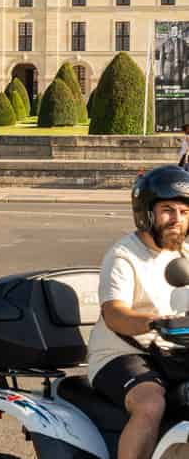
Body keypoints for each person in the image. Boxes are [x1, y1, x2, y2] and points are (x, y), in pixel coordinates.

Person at [88, 165, 189, 459]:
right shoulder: (124, 255)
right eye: (167, 210)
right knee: (150, 405)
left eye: (184, 212)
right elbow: (114, 313)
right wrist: (155, 323)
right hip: (122, 354)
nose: (177, 219)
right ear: (147, 213)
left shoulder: (184, 253)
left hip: (173, 352)